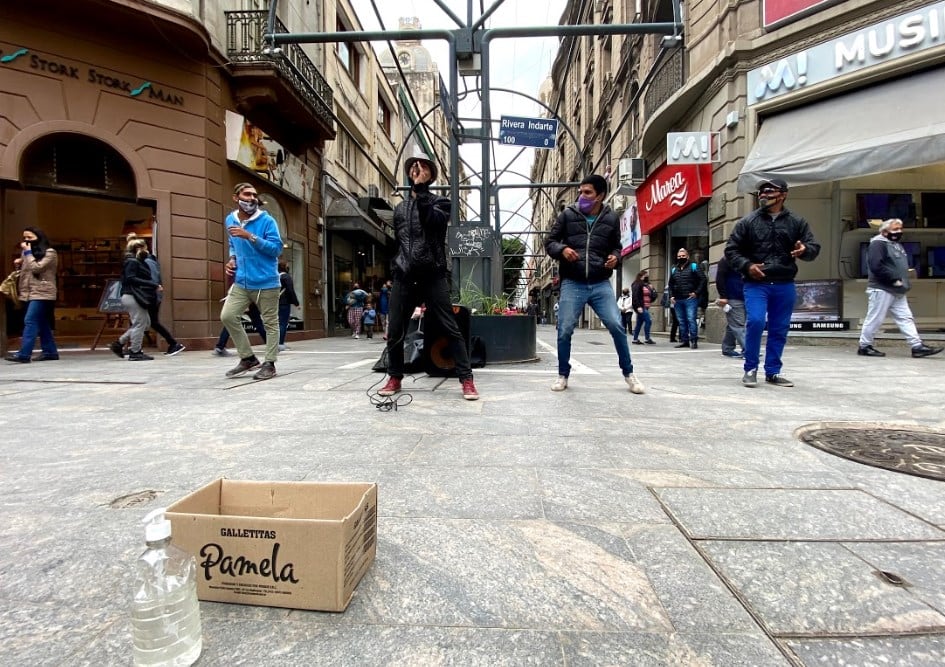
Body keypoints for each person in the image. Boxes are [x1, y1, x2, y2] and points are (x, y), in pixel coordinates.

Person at [377, 149, 479, 400]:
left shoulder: (440, 203)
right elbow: (398, 241)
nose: (417, 169)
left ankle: (466, 379)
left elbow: (432, 222)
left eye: (423, 166)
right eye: (414, 166)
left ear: (431, 174)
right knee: (396, 330)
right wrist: (395, 267)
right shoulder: (399, 209)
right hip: (404, 275)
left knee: (450, 327)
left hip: (432, 274)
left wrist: (422, 192)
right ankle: (394, 376)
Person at [544, 174, 644, 394]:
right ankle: (563, 375)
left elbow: (617, 247)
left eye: (587, 192)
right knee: (564, 329)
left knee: (617, 326)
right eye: (580, 192)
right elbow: (550, 242)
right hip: (573, 282)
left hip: (600, 283)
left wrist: (615, 258)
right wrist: (562, 250)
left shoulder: (610, 219)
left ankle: (629, 374)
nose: (582, 196)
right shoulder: (567, 215)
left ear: (601, 195)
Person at [725, 178, 821, 388]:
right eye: (761, 192)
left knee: (779, 328)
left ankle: (773, 371)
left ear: (783, 194)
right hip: (756, 284)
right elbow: (731, 250)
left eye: (769, 191)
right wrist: (747, 265)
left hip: (784, 283)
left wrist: (805, 250)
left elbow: (813, 247)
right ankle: (750, 368)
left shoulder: (797, 222)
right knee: (756, 322)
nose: (764, 195)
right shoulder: (747, 222)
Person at [220, 182, 282, 380]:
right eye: (247, 194)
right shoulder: (230, 219)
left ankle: (270, 364)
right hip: (242, 281)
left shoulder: (267, 221)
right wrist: (232, 259)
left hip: (267, 281)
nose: (252, 198)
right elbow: (232, 244)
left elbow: (276, 249)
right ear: (236, 197)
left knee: (270, 324)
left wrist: (250, 236)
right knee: (228, 316)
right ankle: (247, 358)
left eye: (254, 195)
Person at [857, 218, 943, 359]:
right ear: (884, 231)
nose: (899, 232)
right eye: (895, 229)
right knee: (875, 318)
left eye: (900, 229)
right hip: (882, 288)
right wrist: (893, 278)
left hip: (897, 289)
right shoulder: (878, 244)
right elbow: (875, 266)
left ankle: (917, 346)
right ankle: (865, 346)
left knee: (905, 318)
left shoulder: (895, 245)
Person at [6, 226, 59, 363]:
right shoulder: (26, 254)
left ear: (39, 238)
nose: (26, 241)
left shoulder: (50, 253)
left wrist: (27, 253)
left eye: (30, 238)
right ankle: (50, 351)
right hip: (28, 292)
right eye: (25, 238)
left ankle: (24, 354)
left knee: (30, 320)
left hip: (43, 292)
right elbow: (26, 273)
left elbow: (37, 267)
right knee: (42, 322)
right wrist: (20, 262)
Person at [127, 234, 185, 356]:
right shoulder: (145, 260)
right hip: (148, 295)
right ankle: (130, 346)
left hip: (149, 296)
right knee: (146, 321)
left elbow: (152, 280)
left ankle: (173, 343)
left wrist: (147, 291)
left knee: (148, 321)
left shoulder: (147, 261)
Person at [110, 237, 158, 361]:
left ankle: (119, 344)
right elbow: (130, 278)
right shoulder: (132, 262)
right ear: (139, 248)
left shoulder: (137, 261)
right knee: (140, 323)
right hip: (132, 295)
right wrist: (153, 284)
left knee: (145, 323)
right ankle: (135, 352)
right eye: (145, 247)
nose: (147, 250)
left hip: (133, 295)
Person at [668, 248, 705, 349]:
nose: (681, 258)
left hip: (690, 299)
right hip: (677, 300)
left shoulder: (694, 266)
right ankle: (685, 341)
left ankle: (694, 340)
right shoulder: (674, 269)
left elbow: (703, 279)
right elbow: (670, 284)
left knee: (691, 319)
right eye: (679, 256)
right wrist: (671, 296)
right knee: (681, 321)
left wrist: (696, 293)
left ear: (687, 256)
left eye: (683, 256)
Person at [715, 255, 746, 359]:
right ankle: (749, 350)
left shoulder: (747, 258)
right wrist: (723, 296)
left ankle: (727, 348)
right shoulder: (726, 260)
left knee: (733, 323)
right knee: (738, 324)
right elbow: (720, 278)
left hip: (746, 295)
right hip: (734, 296)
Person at [277, 260, 299, 351]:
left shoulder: (275, 277)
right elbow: (290, 290)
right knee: (283, 323)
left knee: (276, 323)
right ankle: (280, 343)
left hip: (275, 302)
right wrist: (296, 303)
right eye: (287, 265)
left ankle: (275, 342)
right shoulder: (286, 277)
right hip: (284, 303)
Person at [630, 269, 657, 345]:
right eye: (646, 275)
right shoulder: (637, 284)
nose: (647, 277)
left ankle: (635, 339)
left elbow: (654, 295)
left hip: (646, 306)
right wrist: (638, 306)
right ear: (642, 275)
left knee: (639, 323)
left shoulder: (647, 285)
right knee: (648, 320)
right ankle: (647, 338)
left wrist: (652, 289)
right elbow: (635, 296)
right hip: (641, 306)